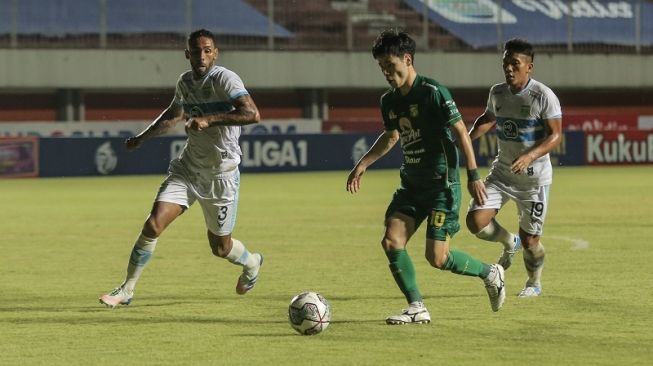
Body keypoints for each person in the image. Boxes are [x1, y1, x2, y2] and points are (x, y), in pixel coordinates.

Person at [346, 29, 506, 324]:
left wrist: (473, 176)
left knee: (438, 258)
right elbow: (392, 135)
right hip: (411, 186)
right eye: (382, 68)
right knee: (392, 241)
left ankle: (490, 273)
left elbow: (460, 132)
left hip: (441, 186)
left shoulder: (433, 92)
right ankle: (417, 306)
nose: (386, 73)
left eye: (390, 67)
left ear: (407, 60)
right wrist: (364, 163)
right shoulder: (389, 101)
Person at [99, 28, 263, 307]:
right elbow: (173, 115)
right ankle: (127, 289)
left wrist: (209, 120)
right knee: (153, 224)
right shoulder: (185, 82)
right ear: (187, 54)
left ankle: (252, 263)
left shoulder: (225, 78)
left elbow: (252, 114)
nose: (202, 55)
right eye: (196, 51)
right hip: (187, 169)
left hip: (220, 175)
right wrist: (142, 138)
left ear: (215, 52)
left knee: (221, 248)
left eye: (207, 50)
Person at [466, 38, 562, 298]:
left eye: (514, 63)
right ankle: (510, 241)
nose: (508, 68)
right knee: (475, 221)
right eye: (505, 63)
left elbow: (555, 136)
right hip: (502, 174)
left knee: (531, 241)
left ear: (529, 67)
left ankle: (533, 283)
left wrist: (530, 156)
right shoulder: (497, 92)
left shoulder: (543, 96)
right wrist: (463, 139)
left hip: (534, 181)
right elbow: (487, 119)